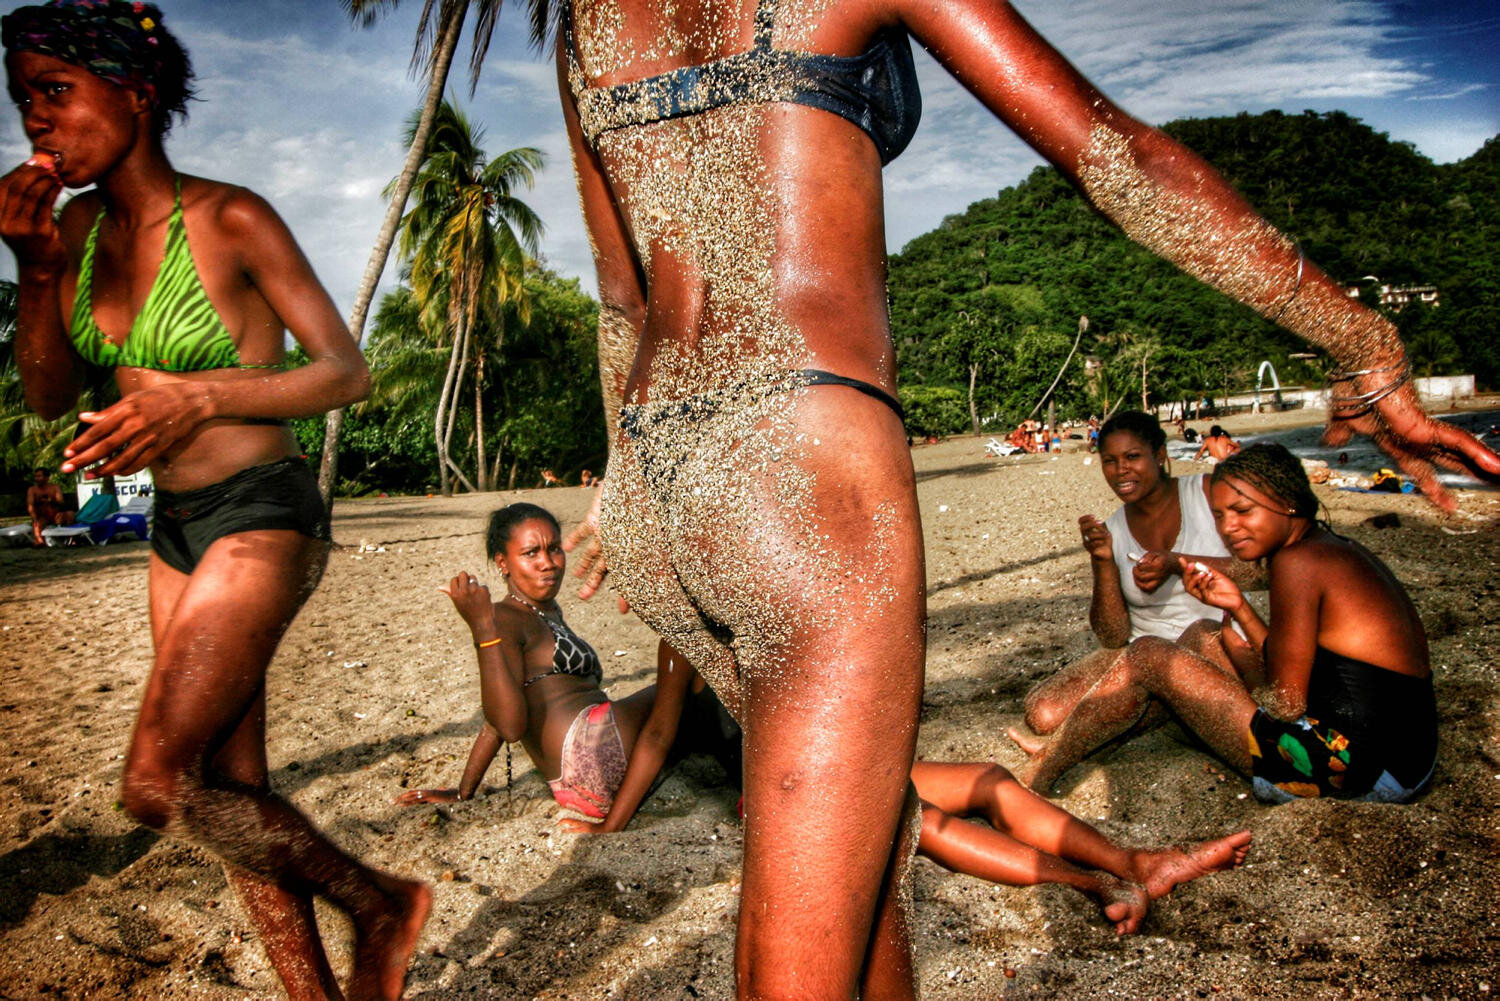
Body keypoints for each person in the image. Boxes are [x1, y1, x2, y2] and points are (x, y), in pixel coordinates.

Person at [550, 1, 1500, 996]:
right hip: (799, 473)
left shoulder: (586, 20)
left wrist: (627, 487)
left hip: (657, 469)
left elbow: (623, 295)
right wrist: (1368, 350)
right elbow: (1119, 162)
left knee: (865, 861)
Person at [0, 5, 426, 999]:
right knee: (226, 793)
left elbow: (344, 372)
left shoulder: (230, 217)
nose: (36, 120)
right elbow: (50, 392)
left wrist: (202, 393)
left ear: (136, 94)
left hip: (263, 507)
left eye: (56, 91)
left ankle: (380, 902)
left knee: (155, 782)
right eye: (24, 99)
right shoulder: (74, 229)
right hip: (174, 529)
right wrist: (34, 270)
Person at [1013, 444, 1437, 803]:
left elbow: (1286, 704)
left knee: (1149, 655)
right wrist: (1237, 607)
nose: (1229, 528)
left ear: (1286, 501)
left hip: (1354, 770)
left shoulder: (1298, 563)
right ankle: (1072, 744)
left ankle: (1046, 768)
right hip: (1409, 759)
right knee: (1203, 635)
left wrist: (1223, 657)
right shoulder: (1328, 546)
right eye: (1219, 515)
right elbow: (1301, 677)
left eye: (1243, 510)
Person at [399, 504, 739, 827]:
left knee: (697, 704)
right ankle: (755, 791)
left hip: (576, 782)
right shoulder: (503, 617)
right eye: (531, 553)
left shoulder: (543, 612)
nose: (548, 562)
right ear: (503, 563)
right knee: (699, 674)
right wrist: (482, 628)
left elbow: (494, 722)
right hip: (593, 752)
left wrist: (464, 789)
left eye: (554, 549)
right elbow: (509, 725)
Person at [1013, 411, 1263, 749]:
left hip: (1216, 646)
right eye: (1110, 461)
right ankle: (1168, 711)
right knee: (1042, 714)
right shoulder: (1113, 531)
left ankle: (1106, 728)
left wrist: (1178, 563)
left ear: (1159, 456)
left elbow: (1260, 572)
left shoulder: (1206, 494)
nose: (1121, 471)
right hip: (1141, 653)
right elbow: (1113, 636)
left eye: (1133, 457)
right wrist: (1101, 560)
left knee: (1196, 644)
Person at [25, 466, 71, 544]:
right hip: (42, 517)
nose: (36, 478)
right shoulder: (32, 490)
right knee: (37, 524)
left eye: (39, 476)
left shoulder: (55, 488)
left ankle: (71, 539)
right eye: (35, 476)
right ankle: (39, 541)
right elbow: (30, 506)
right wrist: (35, 519)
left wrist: (50, 500)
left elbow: (61, 502)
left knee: (70, 515)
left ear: (47, 478)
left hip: (56, 514)